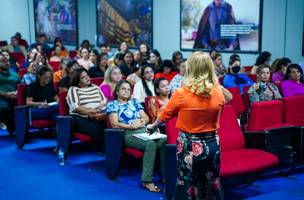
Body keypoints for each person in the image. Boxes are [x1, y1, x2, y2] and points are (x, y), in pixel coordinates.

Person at [147, 51, 232, 199]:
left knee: (187, 183)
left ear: (191, 68)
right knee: (211, 182)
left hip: (190, 146)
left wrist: (152, 126)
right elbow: (229, 98)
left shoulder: (181, 92)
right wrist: (215, 81)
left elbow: (165, 115)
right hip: (213, 145)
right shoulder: (218, 91)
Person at [106, 80, 166, 192]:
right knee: (150, 144)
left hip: (142, 129)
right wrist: (131, 126)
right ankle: (147, 181)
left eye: (129, 89)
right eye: (123, 88)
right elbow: (115, 124)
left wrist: (141, 122)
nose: (126, 91)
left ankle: (165, 175)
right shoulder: (113, 104)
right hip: (126, 133)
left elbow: (146, 118)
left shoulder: (134, 102)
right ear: (117, 91)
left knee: (164, 140)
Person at [67, 68, 107, 152]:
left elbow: (104, 101)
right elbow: (75, 107)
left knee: (112, 122)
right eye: (83, 77)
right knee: (97, 127)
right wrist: (92, 111)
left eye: (87, 75)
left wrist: (100, 107)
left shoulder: (95, 87)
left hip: (99, 114)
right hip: (81, 117)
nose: (87, 78)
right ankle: (103, 149)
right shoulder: (73, 89)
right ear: (78, 81)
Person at [0, 52, 21, 134]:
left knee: (23, 107)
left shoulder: (15, 75)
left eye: (7, 61)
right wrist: (6, 95)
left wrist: (16, 93)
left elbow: (20, 87)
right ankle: (11, 127)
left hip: (14, 97)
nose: (7, 63)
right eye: (3, 61)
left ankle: (22, 130)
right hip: (1, 98)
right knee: (3, 108)